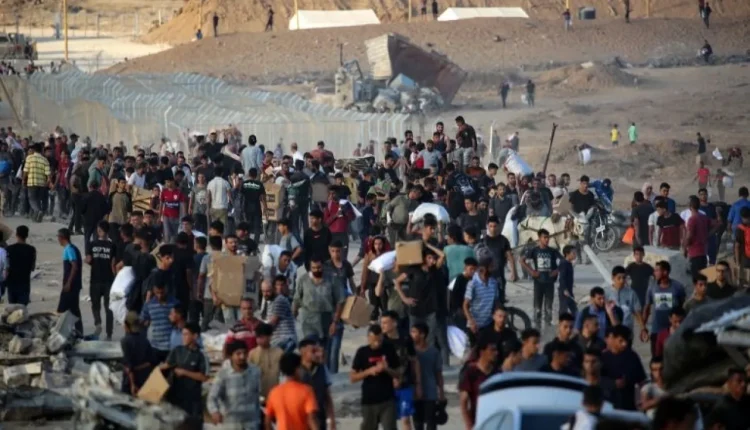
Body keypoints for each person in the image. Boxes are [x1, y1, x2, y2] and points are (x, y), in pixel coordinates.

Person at [350, 325, 400, 430]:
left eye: (379, 340)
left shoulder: (389, 349)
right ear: (368, 338)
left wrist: (386, 369)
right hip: (369, 400)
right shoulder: (362, 352)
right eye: (374, 340)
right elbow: (352, 378)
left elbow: (398, 374)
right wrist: (368, 371)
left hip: (387, 400)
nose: (377, 343)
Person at [161, 322, 209, 424]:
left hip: (192, 399)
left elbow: (203, 377)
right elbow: (167, 365)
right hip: (175, 396)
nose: (183, 337)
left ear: (195, 336)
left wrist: (184, 372)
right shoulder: (177, 350)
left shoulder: (201, 355)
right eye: (182, 334)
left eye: (186, 334)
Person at [293, 256, 345, 348]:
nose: (316, 270)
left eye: (319, 267)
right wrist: (293, 315)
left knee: (323, 351)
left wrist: (335, 322)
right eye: (314, 268)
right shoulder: (303, 280)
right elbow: (296, 299)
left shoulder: (332, 279)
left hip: (327, 320)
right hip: (309, 321)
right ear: (310, 268)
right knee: (311, 347)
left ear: (323, 266)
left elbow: (340, 301)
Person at [208, 339, 261, 428]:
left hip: (251, 423)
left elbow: (257, 396)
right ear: (230, 356)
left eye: (244, 353)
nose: (242, 357)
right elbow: (212, 397)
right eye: (238, 354)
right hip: (231, 424)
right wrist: (215, 412)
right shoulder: (223, 374)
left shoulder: (255, 371)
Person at [265, 352, 319, 430]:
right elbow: (311, 419)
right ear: (297, 370)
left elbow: (267, 421)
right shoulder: (306, 391)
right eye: (301, 367)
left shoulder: (274, 392)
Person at [520, 229, 562, 328]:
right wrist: (531, 272)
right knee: (537, 308)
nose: (547, 240)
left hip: (549, 283)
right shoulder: (534, 250)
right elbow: (521, 260)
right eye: (545, 237)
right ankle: (537, 328)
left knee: (548, 308)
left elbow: (564, 262)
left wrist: (556, 271)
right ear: (539, 238)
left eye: (548, 237)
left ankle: (547, 328)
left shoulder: (552, 251)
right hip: (538, 282)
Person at [644, 261, 686, 355]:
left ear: (665, 272)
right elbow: (647, 307)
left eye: (657, 270)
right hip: (656, 329)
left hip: (673, 330)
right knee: (656, 356)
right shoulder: (652, 287)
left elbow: (682, 306)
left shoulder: (678, 287)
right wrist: (643, 327)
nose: (654, 273)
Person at [600, 325, 646, 411]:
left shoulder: (632, 356)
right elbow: (596, 380)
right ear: (613, 339)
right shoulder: (603, 358)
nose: (624, 344)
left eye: (626, 341)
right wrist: (613, 383)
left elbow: (641, 381)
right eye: (620, 341)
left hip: (628, 405)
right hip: (608, 405)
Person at [410, 322, 445, 430]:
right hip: (415, 392)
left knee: (431, 423)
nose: (411, 335)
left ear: (422, 334)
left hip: (430, 392)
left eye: (414, 332)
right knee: (418, 424)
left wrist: (441, 393)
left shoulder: (434, 352)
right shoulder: (410, 352)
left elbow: (438, 373)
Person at [458, 336, 497, 430]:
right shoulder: (470, 372)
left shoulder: (497, 373)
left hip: (495, 421)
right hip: (477, 421)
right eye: (492, 350)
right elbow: (464, 402)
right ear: (482, 352)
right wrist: (469, 425)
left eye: (496, 350)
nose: (496, 353)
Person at [86, 220, 115, 340]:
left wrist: (89, 260)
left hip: (96, 279)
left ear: (99, 231)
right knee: (109, 308)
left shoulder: (92, 244)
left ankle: (98, 324)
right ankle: (109, 334)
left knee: (95, 305)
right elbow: (113, 264)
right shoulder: (112, 246)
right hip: (109, 280)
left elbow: (88, 259)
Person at [141, 282, 179, 362]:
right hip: (155, 346)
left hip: (171, 346)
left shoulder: (175, 304)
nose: (160, 295)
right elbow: (143, 320)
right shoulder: (149, 305)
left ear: (166, 289)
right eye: (157, 293)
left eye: (162, 293)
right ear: (153, 291)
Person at [120, 311, 154, 396]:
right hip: (144, 379)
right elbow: (151, 362)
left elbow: (129, 367)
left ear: (126, 325)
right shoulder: (145, 340)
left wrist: (133, 384)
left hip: (130, 381)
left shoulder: (125, 341)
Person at [610, 266, 647, 341]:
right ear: (613, 278)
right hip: (611, 334)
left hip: (627, 332)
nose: (622, 281)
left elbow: (637, 312)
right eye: (619, 278)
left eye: (624, 278)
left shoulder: (631, 293)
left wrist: (643, 329)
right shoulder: (607, 293)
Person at [57, 228, 83, 334]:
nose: (58, 239)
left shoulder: (69, 249)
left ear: (62, 237)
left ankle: (60, 332)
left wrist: (68, 283)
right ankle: (78, 332)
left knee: (62, 309)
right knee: (74, 309)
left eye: (58, 237)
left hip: (71, 285)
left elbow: (74, 266)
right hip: (74, 284)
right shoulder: (73, 248)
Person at [463, 261, 498, 339]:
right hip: (475, 326)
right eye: (491, 267)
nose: (494, 269)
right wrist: (471, 322)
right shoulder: (473, 283)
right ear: (484, 269)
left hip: (489, 323)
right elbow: (465, 306)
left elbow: (495, 302)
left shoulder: (493, 282)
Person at [261, 280, 297, 352]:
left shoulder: (279, 300)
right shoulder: (271, 301)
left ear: (274, 289)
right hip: (279, 339)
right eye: (263, 291)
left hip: (284, 339)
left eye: (268, 291)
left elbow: (273, 322)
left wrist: (259, 331)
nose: (265, 294)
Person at [5, 225, 36, 305]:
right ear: (27, 235)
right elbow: (32, 267)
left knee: (12, 308)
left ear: (16, 235)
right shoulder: (31, 250)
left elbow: (6, 268)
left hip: (11, 284)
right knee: (22, 309)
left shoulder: (9, 249)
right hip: (24, 284)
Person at [684, 196, 711, 275]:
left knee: (695, 277)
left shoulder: (692, 219)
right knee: (702, 276)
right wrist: (708, 234)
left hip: (694, 253)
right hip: (703, 252)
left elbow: (689, 236)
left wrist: (685, 248)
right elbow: (717, 224)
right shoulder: (704, 217)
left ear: (690, 207)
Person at [558, 245, 577, 316]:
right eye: (573, 253)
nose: (575, 255)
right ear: (567, 254)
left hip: (569, 291)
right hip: (564, 292)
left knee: (574, 310)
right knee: (563, 311)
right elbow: (562, 278)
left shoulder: (569, 263)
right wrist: (565, 289)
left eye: (575, 253)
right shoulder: (564, 264)